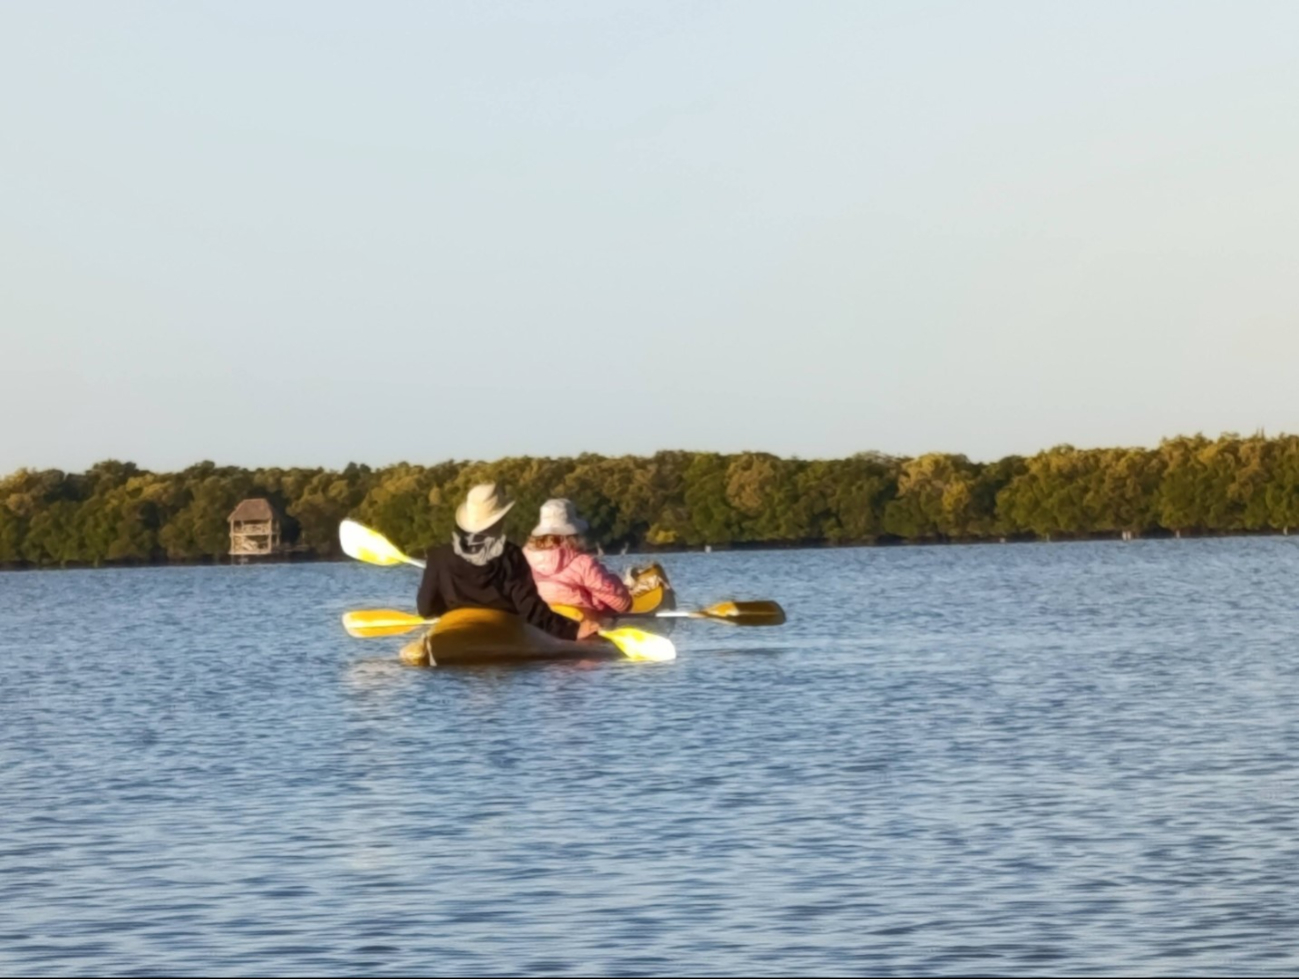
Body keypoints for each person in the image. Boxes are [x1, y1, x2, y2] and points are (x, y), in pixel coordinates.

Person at [416, 483, 600, 640]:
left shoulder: (437, 556)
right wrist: (573, 630)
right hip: (504, 631)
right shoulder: (510, 555)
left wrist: (454, 616)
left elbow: (425, 608)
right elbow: (531, 611)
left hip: (455, 631)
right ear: (498, 519)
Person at [523, 499, 633, 616]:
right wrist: (625, 595)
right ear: (574, 534)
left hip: (543, 623)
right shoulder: (584, 564)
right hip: (583, 625)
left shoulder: (524, 560)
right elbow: (620, 603)